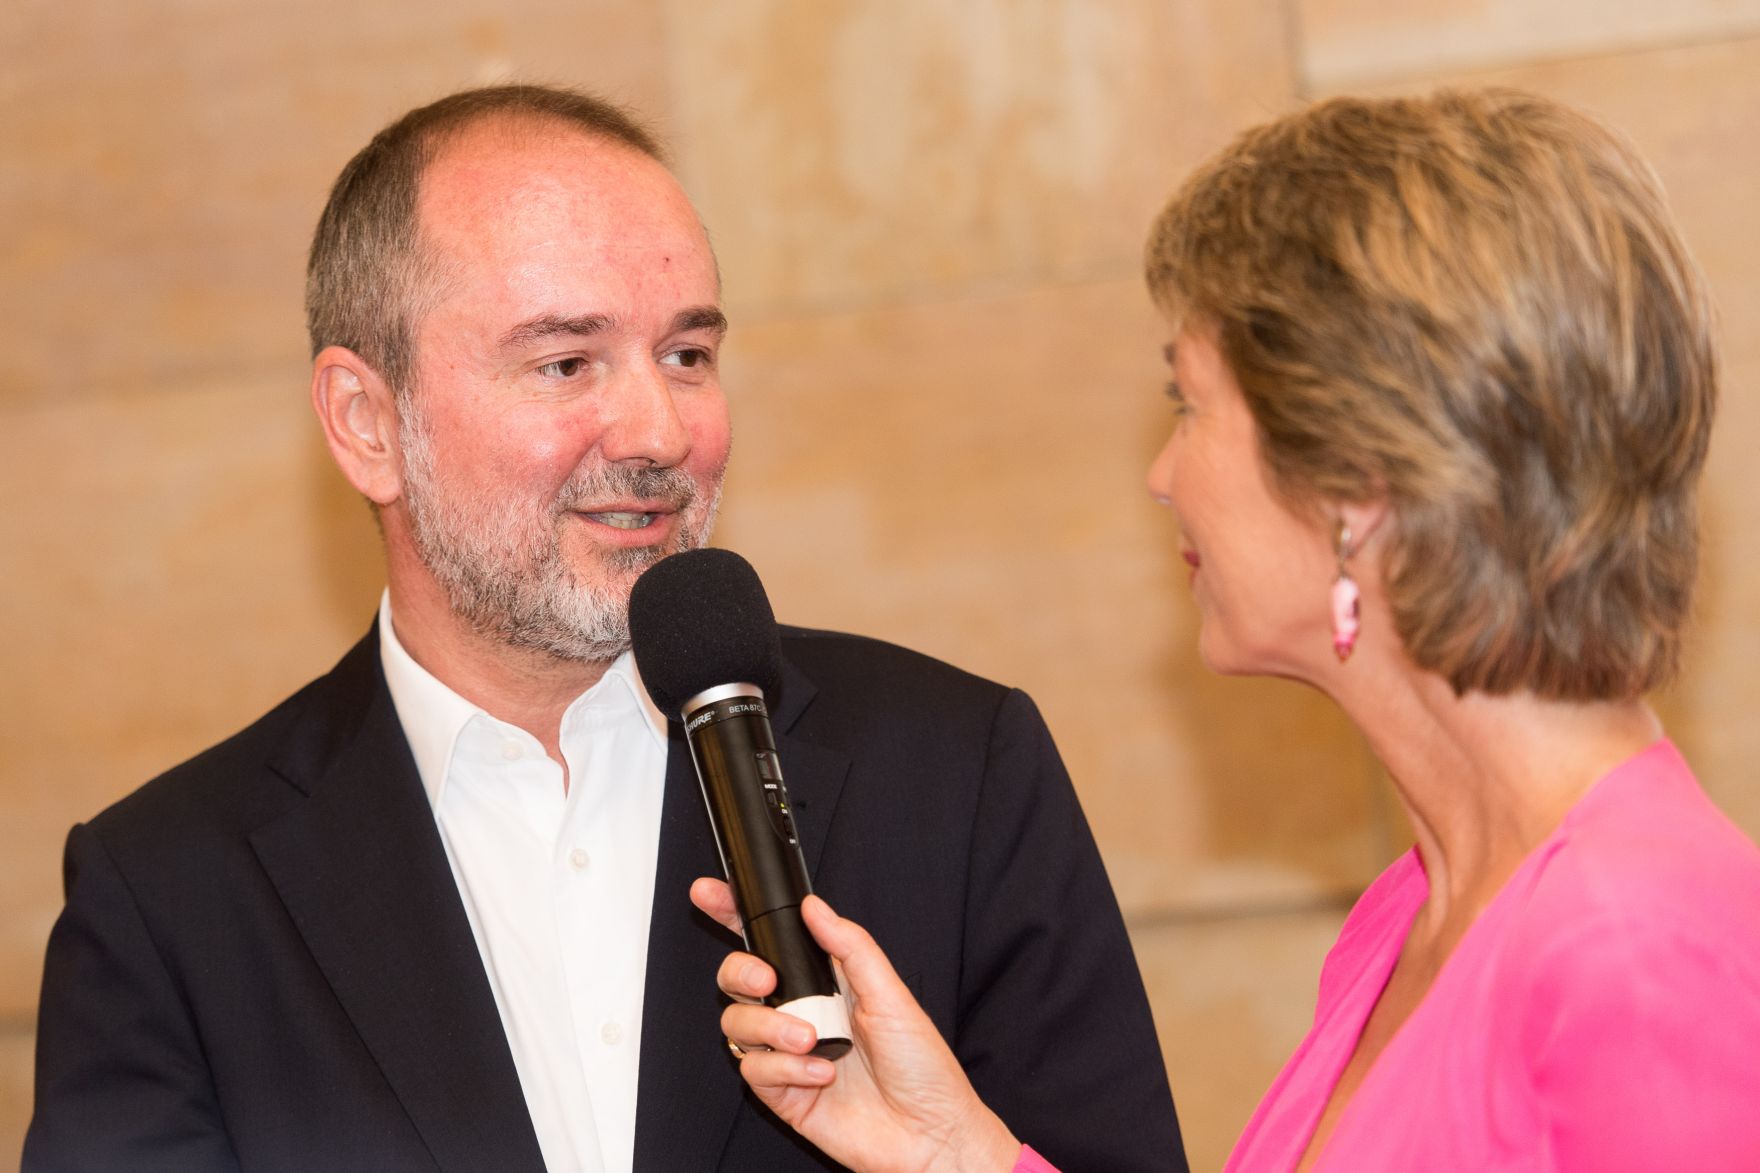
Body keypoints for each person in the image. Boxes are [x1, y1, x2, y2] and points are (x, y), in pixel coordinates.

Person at [24, 86, 1185, 1173]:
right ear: (366, 421)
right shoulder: (172, 895)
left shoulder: (949, 770)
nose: (657, 432)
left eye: (687, 356)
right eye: (566, 361)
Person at [697, 88, 1760, 1171]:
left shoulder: (1638, 949)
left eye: (1189, 405)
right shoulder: (1416, 910)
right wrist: (950, 1154)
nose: (1161, 478)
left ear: (1356, 478)